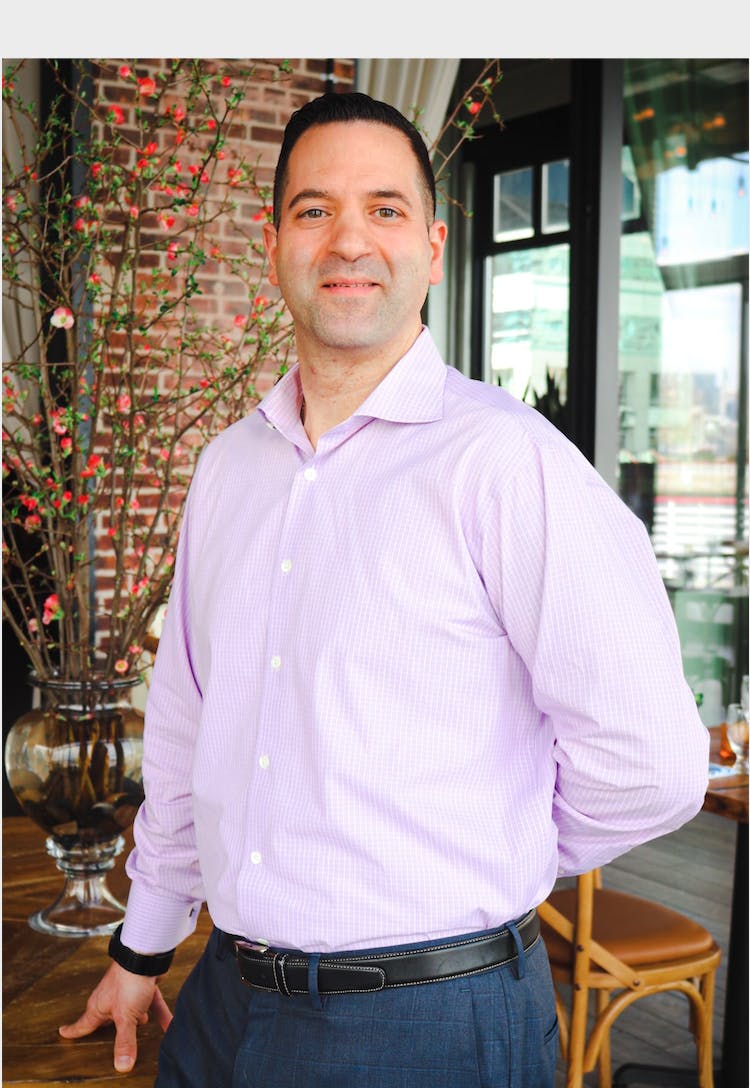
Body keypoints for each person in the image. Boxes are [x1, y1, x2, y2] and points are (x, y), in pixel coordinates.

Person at [60, 92, 709, 1088]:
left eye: (386, 208)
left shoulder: (506, 462)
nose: (349, 238)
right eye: (315, 209)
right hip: (222, 994)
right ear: (274, 242)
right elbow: (189, 725)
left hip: (432, 1020)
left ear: (436, 246)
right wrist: (143, 944)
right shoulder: (229, 467)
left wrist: (483, 846)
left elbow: (653, 762)